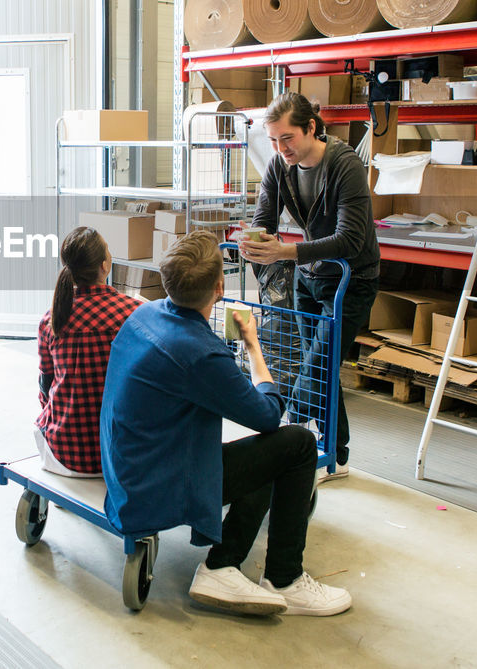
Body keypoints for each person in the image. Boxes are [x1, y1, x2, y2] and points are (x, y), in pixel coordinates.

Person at [101, 232, 351, 617]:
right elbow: (268, 414)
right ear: (220, 287)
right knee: (297, 443)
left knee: (267, 453)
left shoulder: (145, 314)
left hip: (128, 470)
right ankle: (285, 577)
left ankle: (222, 564)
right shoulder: (199, 355)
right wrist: (252, 345)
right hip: (160, 485)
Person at [239, 92, 381, 482]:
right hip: (309, 277)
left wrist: (287, 251)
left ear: (311, 129)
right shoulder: (278, 167)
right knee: (321, 368)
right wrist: (252, 240)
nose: (280, 148)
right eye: (272, 140)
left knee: (315, 368)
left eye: (287, 138)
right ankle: (336, 457)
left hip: (351, 280)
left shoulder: (345, 165)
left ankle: (289, 441)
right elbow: (264, 218)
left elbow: (351, 239)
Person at [35, 226, 141, 477]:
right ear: (105, 265)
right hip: (120, 453)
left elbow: (44, 386)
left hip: (65, 453)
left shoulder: (52, 320)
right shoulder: (134, 314)